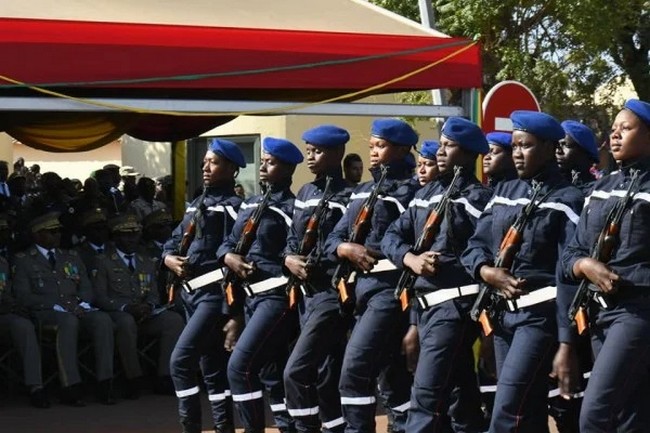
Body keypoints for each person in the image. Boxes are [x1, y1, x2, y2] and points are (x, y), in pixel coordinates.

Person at [462, 111, 584, 433]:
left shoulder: (568, 199)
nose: (517, 153)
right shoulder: (505, 192)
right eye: (514, 146)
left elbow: (568, 275)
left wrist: (566, 342)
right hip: (503, 317)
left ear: (548, 147)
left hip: (540, 318)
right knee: (526, 413)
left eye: (526, 146)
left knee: (506, 411)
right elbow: (475, 245)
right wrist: (486, 271)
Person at [382, 117, 491, 433]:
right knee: (461, 395)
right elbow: (391, 237)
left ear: (469, 154)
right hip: (425, 306)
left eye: (450, 146)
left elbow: (482, 252)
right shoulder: (423, 195)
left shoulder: (477, 199)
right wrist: (411, 259)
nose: (440, 152)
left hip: (456, 308)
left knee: (425, 397)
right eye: (440, 145)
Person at [555, 98, 650, 432]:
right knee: (631, 414)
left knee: (596, 413)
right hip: (598, 312)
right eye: (613, 129)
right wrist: (585, 265)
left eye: (626, 128)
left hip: (637, 312)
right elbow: (571, 254)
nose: (615, 135)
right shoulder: (601, 188)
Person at [323, 118, 420, 433]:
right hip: (359, 292)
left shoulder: (412, 192)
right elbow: (332, 240)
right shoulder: (360, 191)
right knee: (392, 379)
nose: (374, 153)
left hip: (390, 292)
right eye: (371, 147)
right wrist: (345, 250)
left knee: (354, 371)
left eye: (381, 146)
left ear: (403, 149)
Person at [218, 137, 303, 433]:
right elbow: (228, 242)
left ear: (288, 169)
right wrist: (229, 257)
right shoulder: (251, 202)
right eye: (263, 161)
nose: (264, 166)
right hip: (249, 299)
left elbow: (296, 251)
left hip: (275, 297)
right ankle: (286, 426)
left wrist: (282, 261)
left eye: (271, 162)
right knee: (270, 373)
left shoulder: (293, 208)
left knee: (240, 368)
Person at [164, 139, 246, 433]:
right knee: (211, 369)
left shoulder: (236, 209)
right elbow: (173, 240)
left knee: (180, 362)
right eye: (205, 162)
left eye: (214, 162)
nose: (205, 167)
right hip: (189, 294)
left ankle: (191, 427)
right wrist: (168, 258)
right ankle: (224, 428)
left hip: (213, 296)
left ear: (232, 168)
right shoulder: (197, 203)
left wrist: (235, 312)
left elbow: (240, 255)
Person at [283, 124, 354, 433]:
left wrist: (315, 260)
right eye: (309, 151)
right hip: (303, 295)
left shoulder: (351, 195)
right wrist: (288, 259)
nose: (310, 157)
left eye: (318, 151)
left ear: (337, 154)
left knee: (295, 372)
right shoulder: (305, 192)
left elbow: (345, 239)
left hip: (330, 293)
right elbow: (290, 239)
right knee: (326, 375)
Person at [13, 212, 116, 406]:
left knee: (102, 320)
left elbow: (86, 286)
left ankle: (105, 382)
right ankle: (70, 385)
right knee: (67, 322)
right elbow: (23, 296)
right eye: (52, 232)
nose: (57, 235)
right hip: (46, 313)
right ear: (37, 235)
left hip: (77, 308)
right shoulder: (24, 259)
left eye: (58, 231)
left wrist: (79, 303)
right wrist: (59, 305)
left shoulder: (71, 256)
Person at [91, 213, 184, 399]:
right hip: (117, 314)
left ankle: (164, 376)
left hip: (144, 313)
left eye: (135, 234)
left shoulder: (146, 261)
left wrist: (149, 305)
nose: (132, 239)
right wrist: (126, 307)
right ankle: (133, 377)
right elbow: (99, 296)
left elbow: (154, 293)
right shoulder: (103, 261)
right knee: (126, 323)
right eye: (126, 235)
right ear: (116, 237)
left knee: (173, 320)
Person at [0, 215, 49, 408]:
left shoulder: (3, 262)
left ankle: (35, 386)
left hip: (3, 316)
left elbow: (9, 293)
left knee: (24, 326)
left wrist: (13, 306)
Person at [556, 120, 599, 194]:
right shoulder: (549, 187)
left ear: (584, 151)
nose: (558, 151)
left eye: (566, 145)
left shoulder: (596, 191)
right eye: (557, 145)